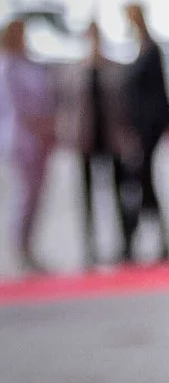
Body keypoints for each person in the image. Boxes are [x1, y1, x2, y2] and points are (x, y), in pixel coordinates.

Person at [114, 0, 169, 265]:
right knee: (141, 185)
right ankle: (142, 240)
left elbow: (161, 91)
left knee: (142, 183)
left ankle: (141, 240)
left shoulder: (151, 50)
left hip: (149, 129)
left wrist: (168, 123)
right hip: (136, 127)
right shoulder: (136, 50)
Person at [1, 18, 60, 274]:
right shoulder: (7, 66)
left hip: (42, 139)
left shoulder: (31, 63)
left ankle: (30, 246)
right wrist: (42, 125)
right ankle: (19, 249)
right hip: (23, 138)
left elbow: (47, 98)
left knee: (37, 197)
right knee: (24, 197)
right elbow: (20, 107)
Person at [66, 21, 124, 272]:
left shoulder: (114, 69)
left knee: (117, 192)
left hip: (110, 138)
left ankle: (122, 244)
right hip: (85, 140)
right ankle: (90, 246)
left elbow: (123, 105)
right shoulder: (75, 70)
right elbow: (66, 107)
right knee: (86, 195)